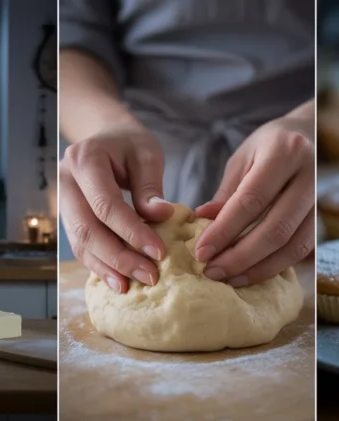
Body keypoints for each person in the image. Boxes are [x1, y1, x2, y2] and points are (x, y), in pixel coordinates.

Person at [59, 0, 315, 294]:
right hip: (132, 182)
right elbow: (72, 37)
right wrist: (106, 125)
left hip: (291, 181)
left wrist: (311, 121)